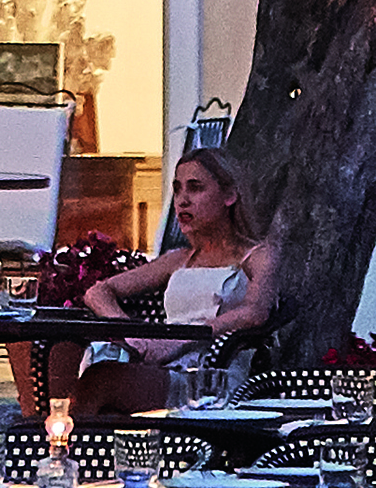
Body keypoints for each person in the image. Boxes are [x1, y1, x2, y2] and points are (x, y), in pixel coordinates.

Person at [70, 152, 267, 415]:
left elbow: (255, 312)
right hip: (162, 364)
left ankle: (64, 440)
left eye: (195, 188)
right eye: (177, 189)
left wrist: (181, 340)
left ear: (229, 196)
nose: (182, 200)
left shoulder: (257, 255)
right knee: (95, 373)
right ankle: (76, 438)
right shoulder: (179, 259)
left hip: (212, 376)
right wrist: (134, 335)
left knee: (101, 380)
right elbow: (98, 292)